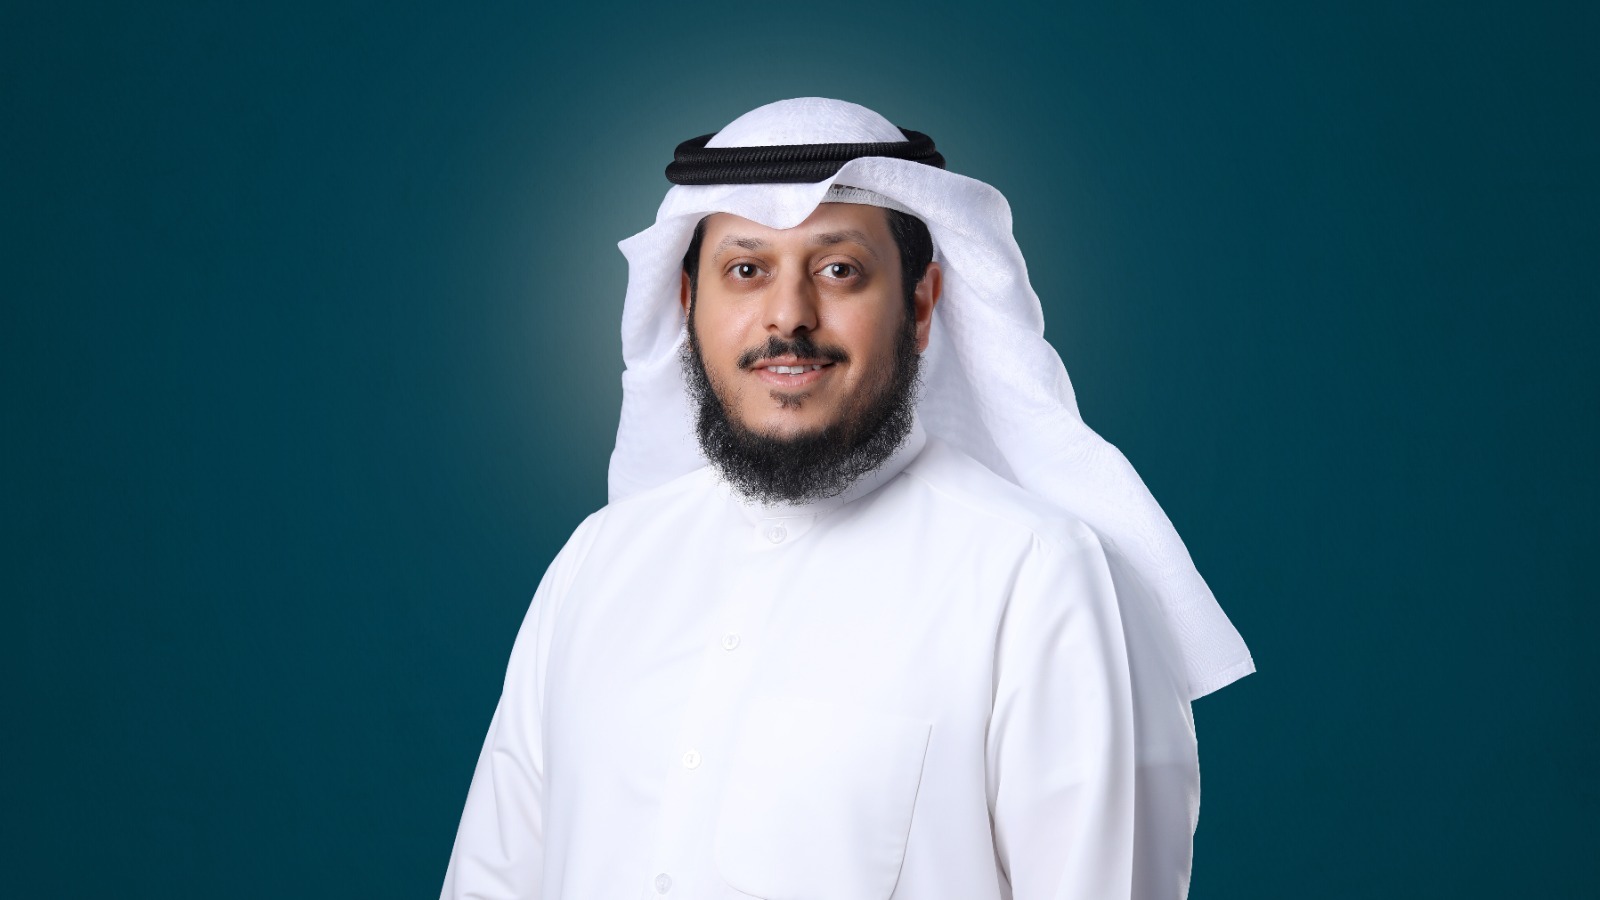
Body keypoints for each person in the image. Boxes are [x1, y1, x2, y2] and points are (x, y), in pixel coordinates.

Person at [440, 97, 1254, 900]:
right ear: (688, 307)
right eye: (747, 270)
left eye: (838, 270)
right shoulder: (597, 564)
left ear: (921, 305)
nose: (788, 317)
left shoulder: (1037, 579)